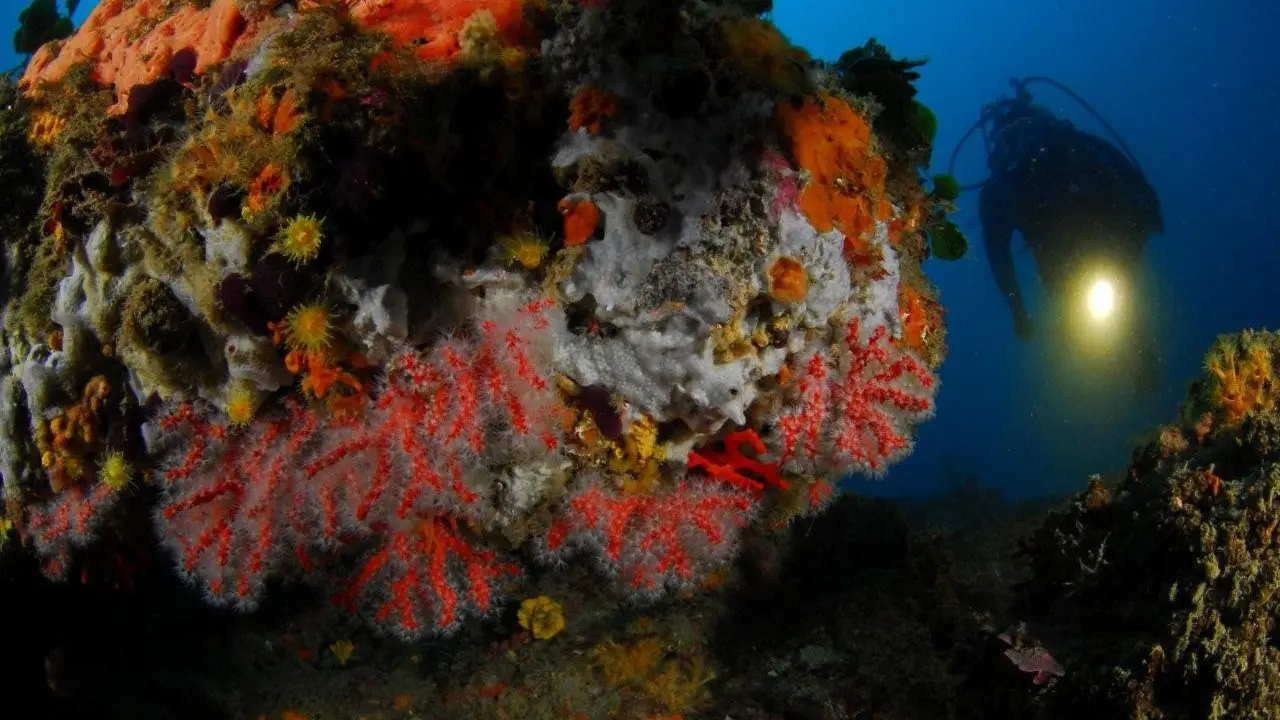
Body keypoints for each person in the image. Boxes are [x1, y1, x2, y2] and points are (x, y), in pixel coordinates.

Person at [974, 80, 1164, 388]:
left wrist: (1145, 216)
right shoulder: (1001, 190)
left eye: (1024, 131)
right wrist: (1017, 308)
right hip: (1061, 269)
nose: (1023, 144)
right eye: (1011, 137)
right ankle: (1098, 375)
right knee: (1080, 335)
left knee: (1126, 312)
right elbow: (998, 253)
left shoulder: (1071, 146)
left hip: (1108, 244)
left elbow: (1123, 173)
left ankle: (1140, 363)